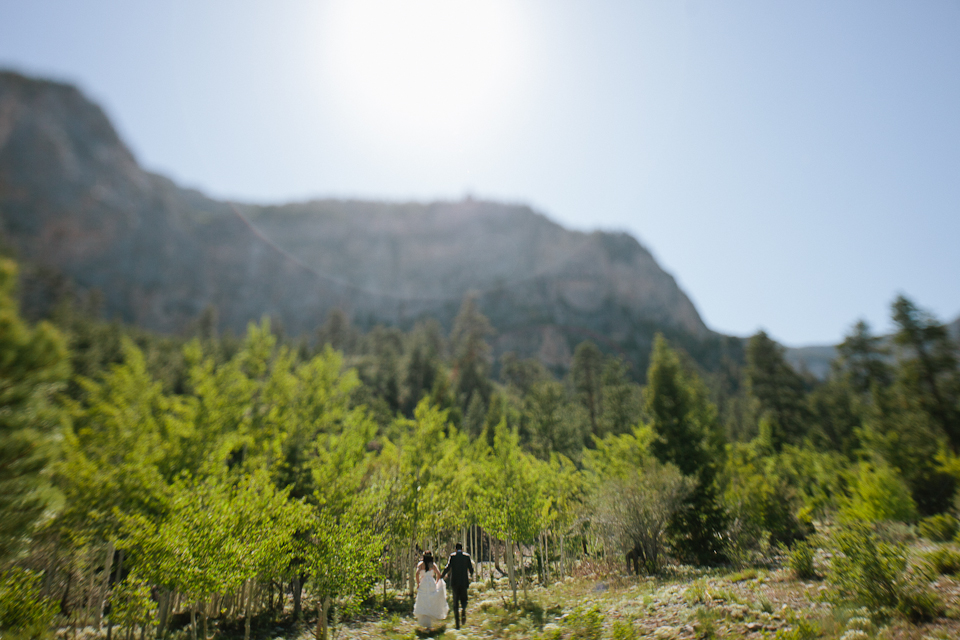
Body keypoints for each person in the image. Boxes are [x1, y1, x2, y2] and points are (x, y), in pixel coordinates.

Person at [440, 543, 474, 629]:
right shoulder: (467, 557)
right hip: (464, 582)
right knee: (464, 599)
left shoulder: (452, 557)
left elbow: (447, 567)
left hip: (455, 582)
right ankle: (463, 609)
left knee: (455, 603)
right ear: (462, 549)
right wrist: (471, 575)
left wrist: (442, 576)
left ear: (455, 549)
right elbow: (471, 569)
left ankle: (457, 624)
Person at [413, 550, 448, 628]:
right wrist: (436, 582)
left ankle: (424, 621)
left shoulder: (421, 564)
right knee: (431, 600)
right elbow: (439, 574)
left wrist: (418, 583)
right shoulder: (433, 565)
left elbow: (417, 573)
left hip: (423, 583)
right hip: (431, 583)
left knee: (423, 600)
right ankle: (429, 621)